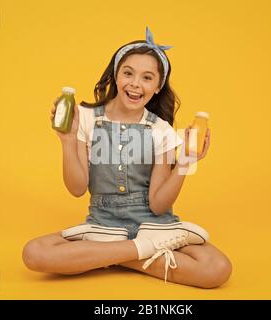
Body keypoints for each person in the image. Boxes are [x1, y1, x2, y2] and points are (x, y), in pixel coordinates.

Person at [22, 27, 232, 288]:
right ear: (116, 76)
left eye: (147, 77)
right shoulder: (86, 118)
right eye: (128, 73)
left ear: (157, 87)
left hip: (155, 227)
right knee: (35, 253)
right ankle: (140, 250)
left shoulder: (161, 130)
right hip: (103, 224)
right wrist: (67, 140)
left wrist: (186, 164)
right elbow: (76, 188)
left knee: (217, 269)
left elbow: (158, 205)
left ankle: (104, 256)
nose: (135, 83)